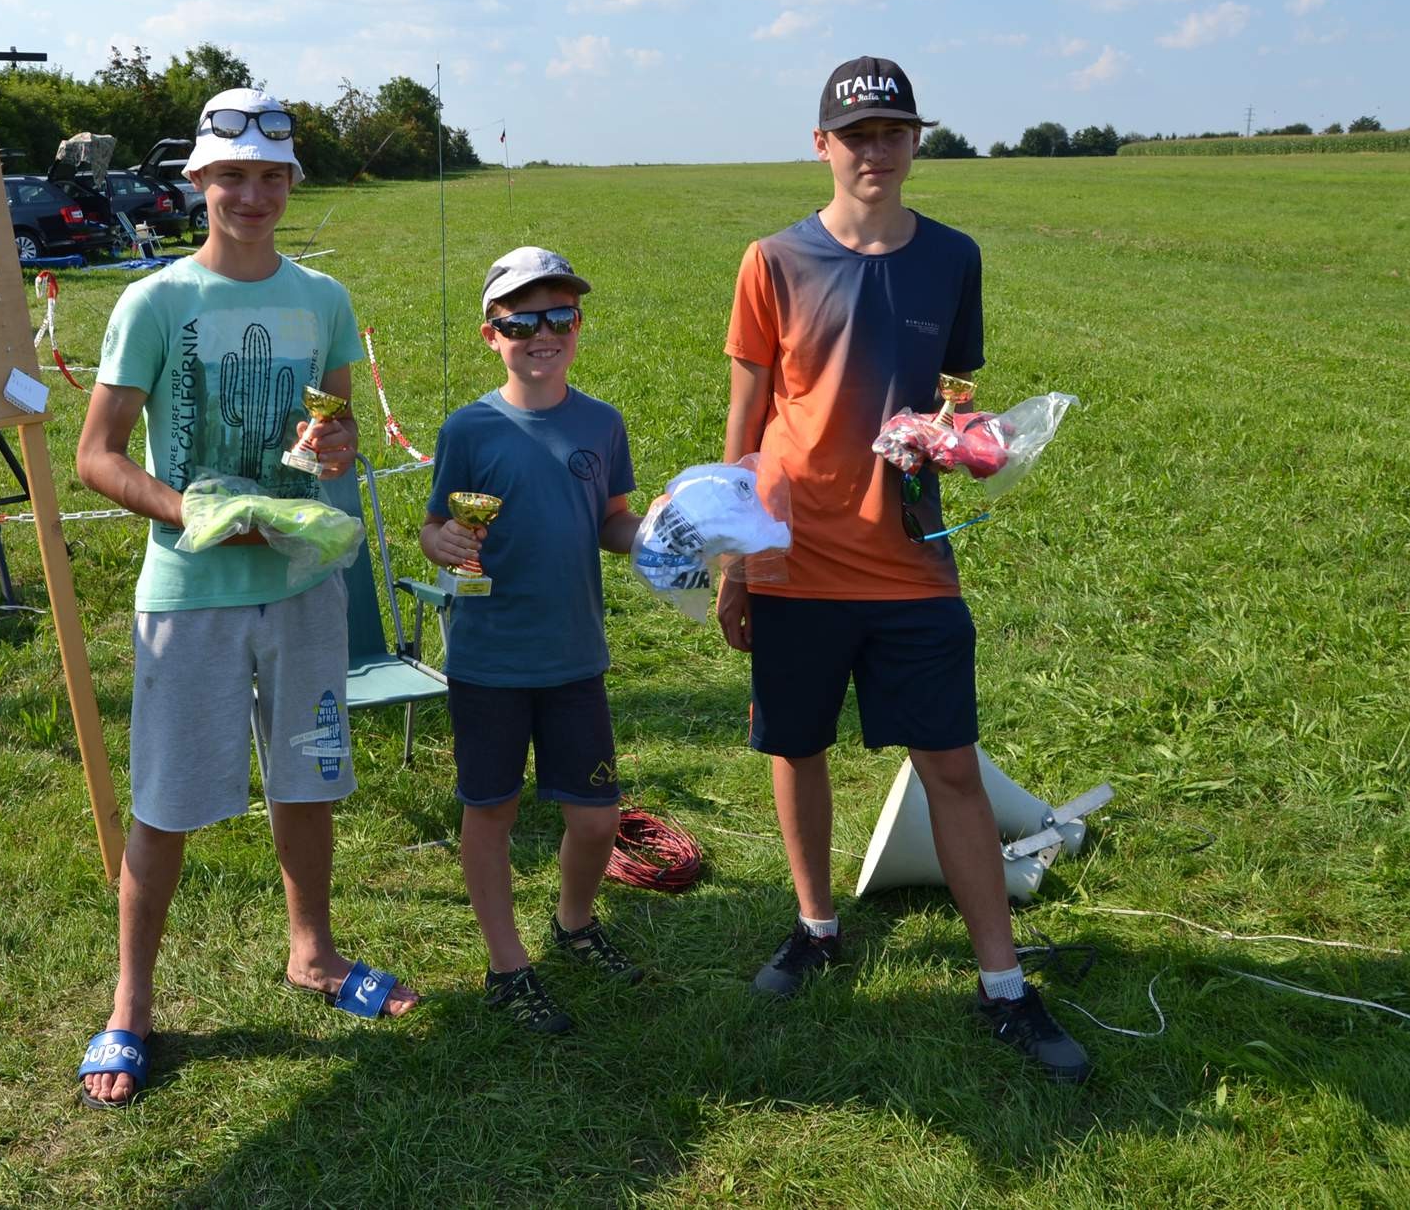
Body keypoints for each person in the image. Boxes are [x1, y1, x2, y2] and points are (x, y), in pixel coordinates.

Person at [717, 57, 1090, 1082]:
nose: (873, 151)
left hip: (910, 563)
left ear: (916, 141)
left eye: (892, 132)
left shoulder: (952, 258)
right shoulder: (772, 260)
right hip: (793, 556)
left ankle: (1003, 986)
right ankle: (815, 926)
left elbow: (949, 394)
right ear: (821, 145)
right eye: (855, 135)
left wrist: (964, 438)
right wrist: (736, 558)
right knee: (796, 747)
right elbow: (746, 417)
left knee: (952, 766)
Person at [73, 88, 418, 1107]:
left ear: (291, 182)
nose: (252, 195)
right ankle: (131, 1003)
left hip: (304, 583)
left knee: (307, 774)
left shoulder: (324, 298)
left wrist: (334, 448)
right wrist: (192, 512)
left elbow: (334, 438)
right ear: (198, 181)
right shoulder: (156, 302)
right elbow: (96, 455)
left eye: (271, 176)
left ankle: (313, 952)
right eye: (231, 176)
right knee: (166, 799)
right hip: (192, 590)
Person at [420, 247, 645, 1035]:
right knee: (493, 810)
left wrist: (658, 533)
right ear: (492, 335)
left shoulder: (601, 423)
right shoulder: (469, 428)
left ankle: (574, 920)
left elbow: (612, 519)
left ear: (578, 326)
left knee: (596, 816)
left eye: (559, 317)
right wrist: (443, 541)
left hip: (575, 654)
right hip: (489, 660)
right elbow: (436, 527)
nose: (542, 334)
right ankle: (507, 963)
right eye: (521, 323)